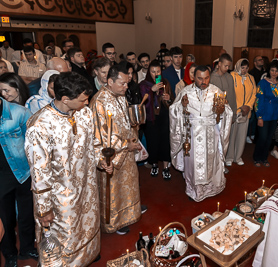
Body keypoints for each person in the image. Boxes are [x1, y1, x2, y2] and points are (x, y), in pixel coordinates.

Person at [25, 72, 100, 266]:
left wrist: (102, 160)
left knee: (87, 228)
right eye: (83, 100)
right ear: (65, 99)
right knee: (65, 239)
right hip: (61, 198)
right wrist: (44, 209)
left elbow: (93, 144)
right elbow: (39, 173)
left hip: (87, 187)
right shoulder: (40, 126)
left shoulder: (84, 112)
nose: (87, 103)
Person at [90, 65, 145, 235]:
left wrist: (134, 130)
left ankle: (131, 211)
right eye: (122, 83)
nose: (126, 87)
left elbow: (124, 122)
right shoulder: (99, 102)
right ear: (110, 81)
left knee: (129, 185)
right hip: (112, 156)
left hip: (127, 149)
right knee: (114, 190)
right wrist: (124, 145)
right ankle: (115, 222)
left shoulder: (120, 96)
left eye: (127, 83)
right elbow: (101, 135)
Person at [170, 65, 233, 202]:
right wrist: (182, 106)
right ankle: (195, 191)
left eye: (206, 78)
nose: (203, 82)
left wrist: (221, 111)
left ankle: (211, 188)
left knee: (211, 161)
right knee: (193, 163)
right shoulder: (185, 92)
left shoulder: (216, 91)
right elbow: (173, 110)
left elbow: (228, 112)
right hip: (192, 134)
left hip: (211, 133)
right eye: (200, 78)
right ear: (194, 77)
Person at [0, 96, 36, 267]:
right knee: (5, 219)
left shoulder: (19, 112)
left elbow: (33, 141)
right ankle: (9, 253)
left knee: (27, 214)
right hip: (1, 178)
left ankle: (27, 248)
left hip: (23, 171)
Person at [140, 60, 173, 179]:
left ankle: (165, 167)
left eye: (158, 71)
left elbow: (172, 101)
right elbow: (142, 101)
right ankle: (154, 165)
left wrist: (168, 98)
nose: (156, 74)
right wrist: (151, 90)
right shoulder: (144, 84)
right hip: (151, 118)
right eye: (153, 71)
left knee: (165, 141)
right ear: (149, 72)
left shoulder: (165, 82)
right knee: (152, 141)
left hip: (164, 116)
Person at [253, 60, 278, 167]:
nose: (274, 73)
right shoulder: (263, 83)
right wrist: (259, 117)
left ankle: (264, 158)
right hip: (264, 115)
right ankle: (257, 157)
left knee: (269, 138)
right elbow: (258, 101)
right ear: (269, 70)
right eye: (272, 70)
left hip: (275, 115)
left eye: (277, 71)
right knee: (262, 137)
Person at [226, 59, 256, 166]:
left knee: (242, 136)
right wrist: (239, 108)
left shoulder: (251, 78)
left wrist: (248, 106)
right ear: (238, 66)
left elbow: (254, 94)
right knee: (231, 135)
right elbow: (229, 94)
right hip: (235, 112)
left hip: (246, 112)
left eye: (246, 68)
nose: (244, 70)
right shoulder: (231, 76)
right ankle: (229, 157)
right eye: (242, 67)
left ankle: (238, 157)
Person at [210, 53, 237, 121]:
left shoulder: (230, 77)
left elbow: (233, 96)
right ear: (219, 64)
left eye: (229, 66)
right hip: (215, 114)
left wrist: (234, 114)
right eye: (225, 66)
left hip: (228, 114)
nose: (227, 68)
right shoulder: (211, 78)